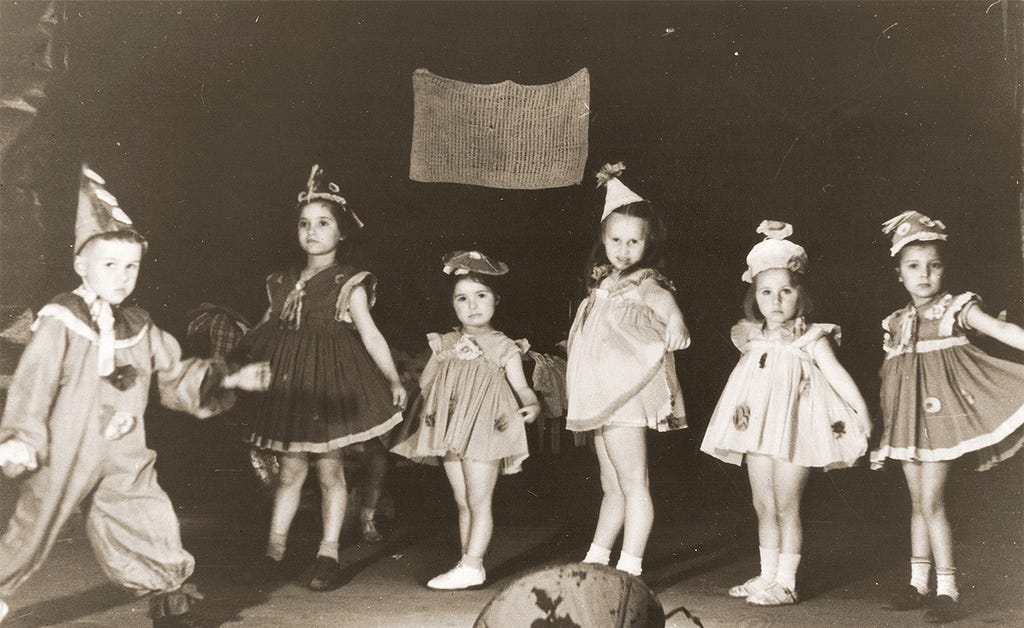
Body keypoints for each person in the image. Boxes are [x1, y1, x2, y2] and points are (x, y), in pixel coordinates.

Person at [0, 165, 271, 627]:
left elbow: (175, 373)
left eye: (132, 266)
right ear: (81, 265)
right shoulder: (61, 320)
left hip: (123, 445)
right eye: (110, 265)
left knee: (147, 514)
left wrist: (229, 378)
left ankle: (169, 596)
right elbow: (34, 381)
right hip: (67, 446)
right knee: (34, 526)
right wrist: (22, 436)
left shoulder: (139, 327)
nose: (123, 277)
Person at [237, 165, 406, 591]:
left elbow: (370, 334)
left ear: (341, 232)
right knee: (290, 471)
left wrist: (393, 379)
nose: (312, 232)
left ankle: (327, 553)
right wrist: (238, 368)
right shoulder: (280, 281)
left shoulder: (349, 282)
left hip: (329, 388)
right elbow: (262, 330)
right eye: (304, 224)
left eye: (324, 223)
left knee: (331, 472)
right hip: (291, 390)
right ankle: (273, 552)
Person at [700, 220, 871, 606]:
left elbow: (837, 375)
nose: (775, 301)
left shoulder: (812, 337)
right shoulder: (752, 336)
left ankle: (788, 582)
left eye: (785, 292)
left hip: (797, 430)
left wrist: (861, 411)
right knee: (763, 503)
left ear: (801, 295)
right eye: (766, 292)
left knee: (786, 504)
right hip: (758, 431)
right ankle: (767, 575)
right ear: (754, 296)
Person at [871, 211, 1024, 623]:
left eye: (933, 265)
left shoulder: (953, 308)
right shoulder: (897, 322)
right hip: (906, 424)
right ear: (899, 273)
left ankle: (948, 589)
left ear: (944, 269)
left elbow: (998, 330)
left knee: (931, 501)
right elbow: (892, 378)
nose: (924, 275)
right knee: (916, 502)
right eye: (913, 266)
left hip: (939, 422)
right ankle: (918, 583)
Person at [565, 163, 690, 577]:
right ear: (603, 239)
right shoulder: (604, 282)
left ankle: (631, 567)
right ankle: (597, 559)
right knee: (612, 484)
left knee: (634, 481)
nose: (624, 249)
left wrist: (675, 321)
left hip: (625, 393)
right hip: (603, 393)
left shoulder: (643, 279)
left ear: (646, 242)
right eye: (616, 240)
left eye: (633, 241)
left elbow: (662, 300)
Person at [391, 250, 540, 590]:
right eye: (462, 298)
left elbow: (522, 387)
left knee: (479, 498)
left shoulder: (504, 346)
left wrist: (532, 406)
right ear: (452, 304)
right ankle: (467, 563)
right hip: (450, 428)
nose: (472, 305)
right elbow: (424, 385)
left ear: (496, 299)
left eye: (481, 295)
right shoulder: (443, 343)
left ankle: (473, 564)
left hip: (486, 428)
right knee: (462, 501)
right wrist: (401, 399)